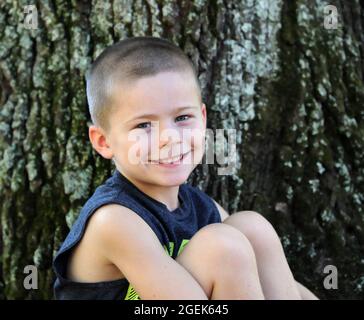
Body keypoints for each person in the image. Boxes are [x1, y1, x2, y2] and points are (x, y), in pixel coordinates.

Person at [53, 36, 318, 300]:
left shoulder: (201, 207)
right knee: (223, 248)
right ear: (103, 141)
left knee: (252, 228)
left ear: (202, 119)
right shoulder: (114, 221)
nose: (169, 137)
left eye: (182, 118)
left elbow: (281, 282)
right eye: (143, 125)